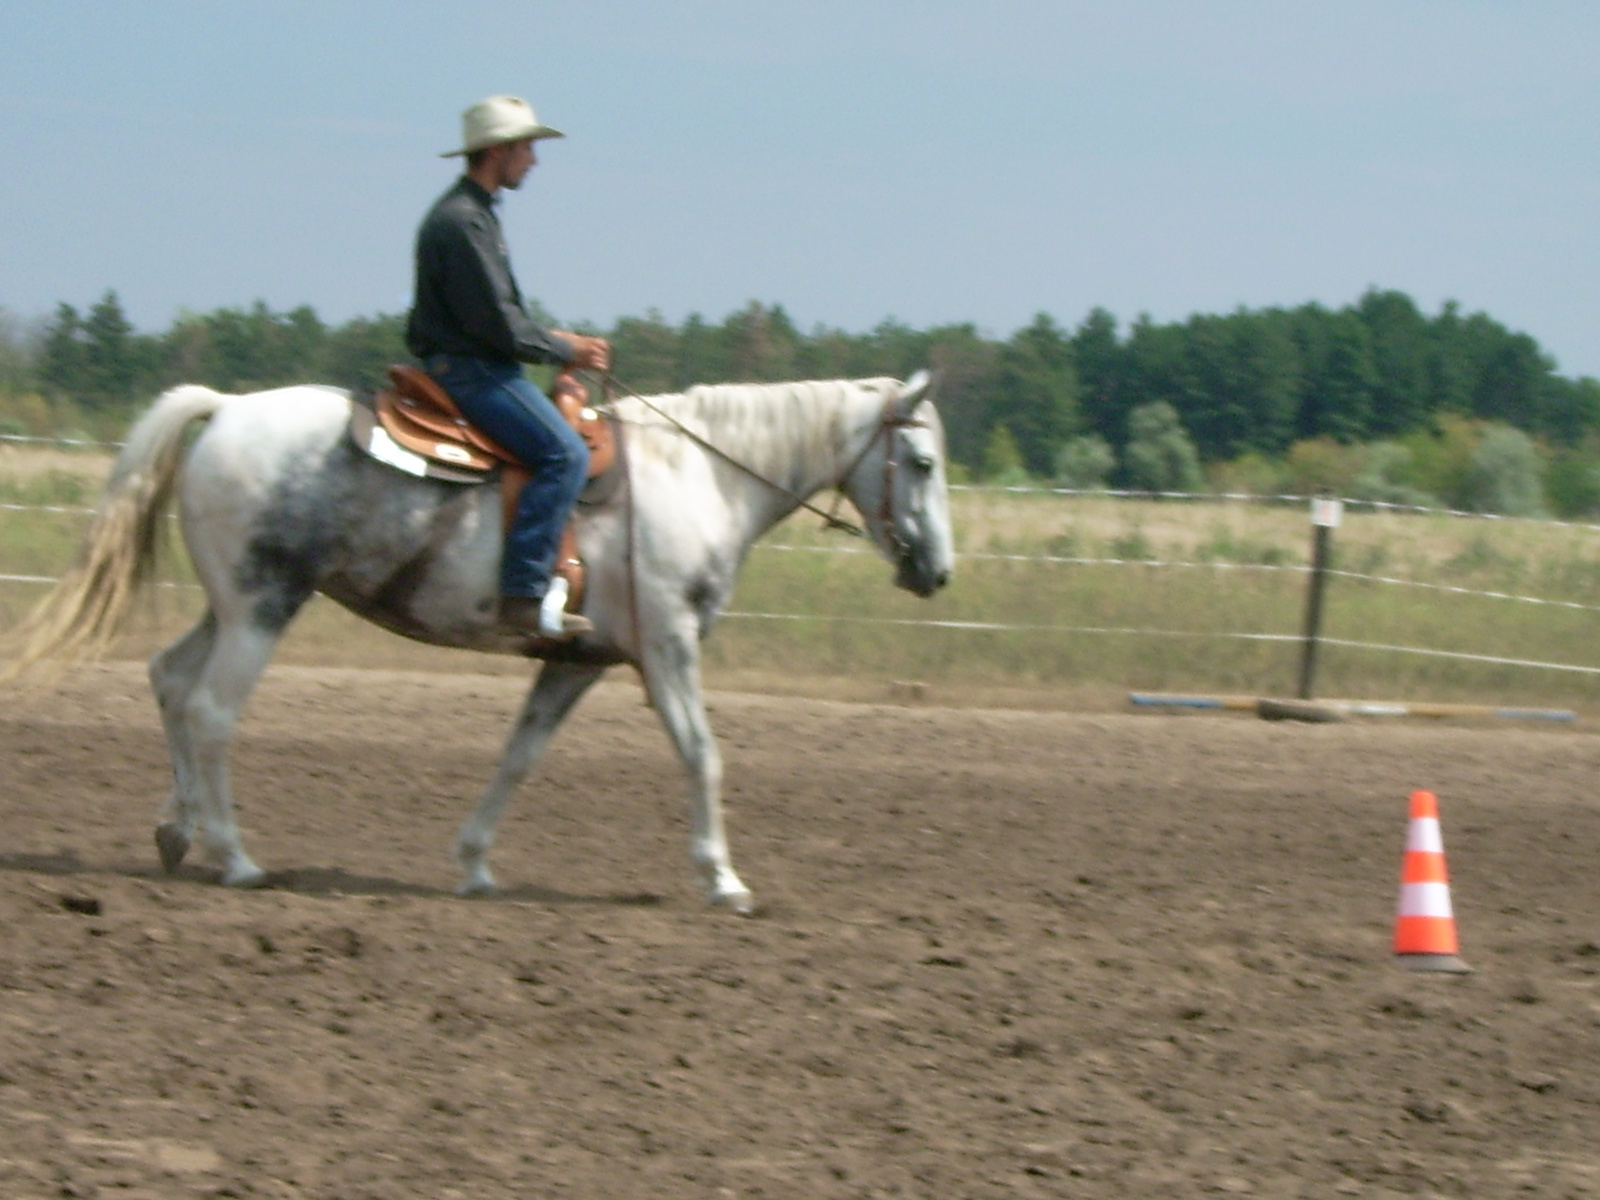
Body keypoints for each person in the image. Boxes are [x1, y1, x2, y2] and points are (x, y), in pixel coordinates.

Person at [406, 94, 611, 638]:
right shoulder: (464, 223)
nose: (534, 160)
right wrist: (567, 350)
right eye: (527, 148)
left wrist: (558, 345)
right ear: (498, 151)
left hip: (474, 365)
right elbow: (500, 326)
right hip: (473, 372)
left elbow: (504, 320)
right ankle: (522, 592)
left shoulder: (470, 216)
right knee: (563, 454)